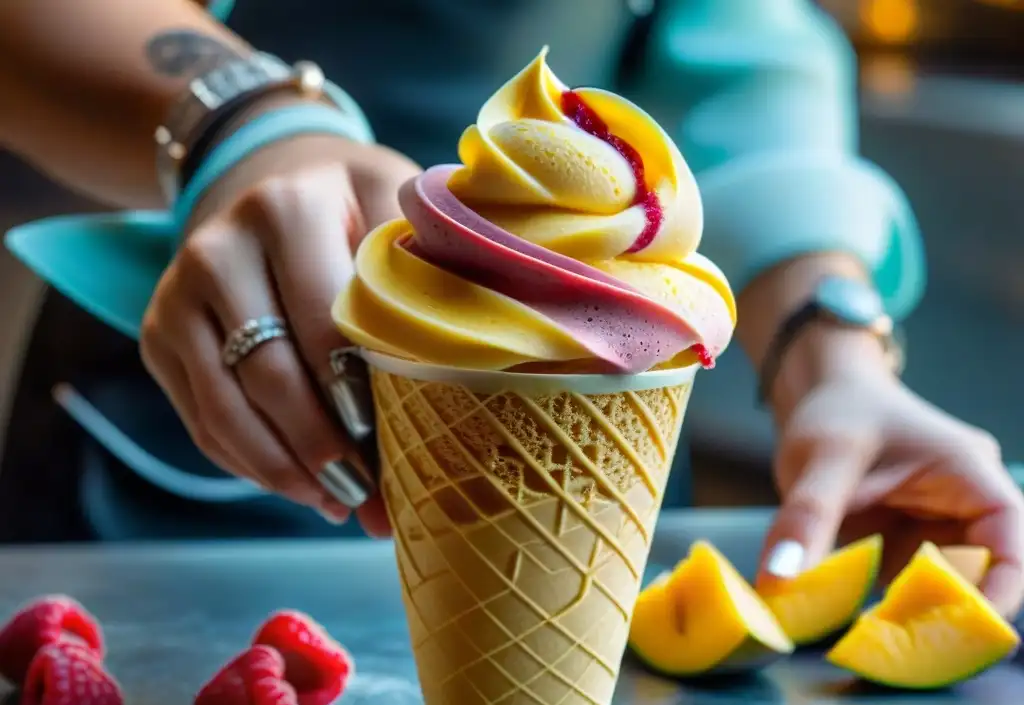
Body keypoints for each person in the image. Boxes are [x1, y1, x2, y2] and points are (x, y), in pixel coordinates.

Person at [1, 0, 1022, 616]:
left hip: (574, 496)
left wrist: (831, 351)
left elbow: (745, 55)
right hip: (177, 476)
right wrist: (243, 129)